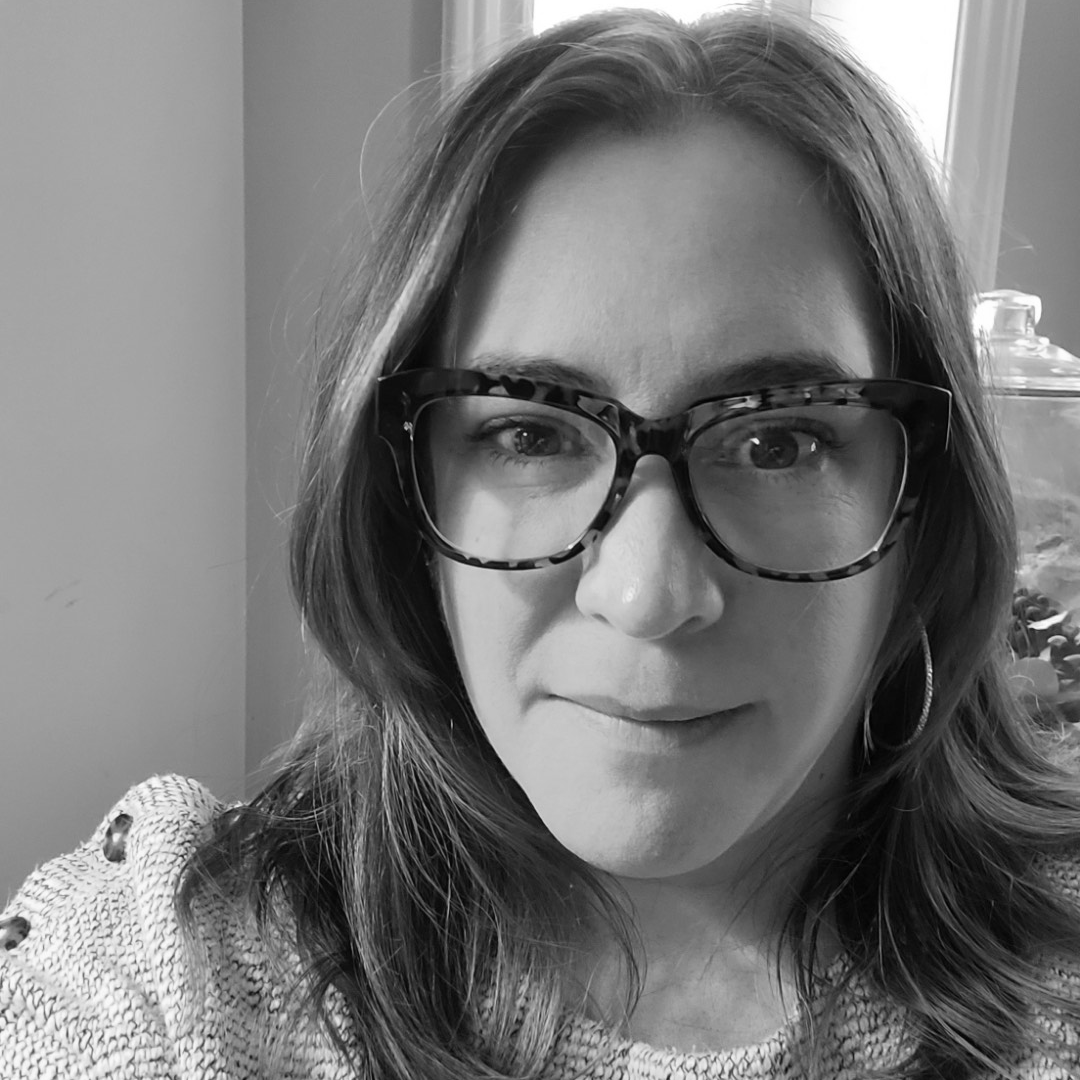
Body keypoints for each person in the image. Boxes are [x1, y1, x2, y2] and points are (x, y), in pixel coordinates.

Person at [3, 8, 1080, 1079]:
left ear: (923, 503)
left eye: (781, 439)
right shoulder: (165, 962)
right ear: (401, 492)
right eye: (529, 433)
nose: (648, 594)